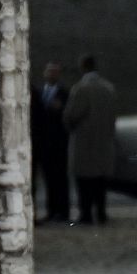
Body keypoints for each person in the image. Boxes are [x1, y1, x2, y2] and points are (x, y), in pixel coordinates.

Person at [63, 54, 116, 224]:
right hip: (104, 142)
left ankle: (85, 214)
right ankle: (101, 213)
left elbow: (71, 115)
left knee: (84, 180)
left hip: (84, 142)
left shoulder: (80, 89)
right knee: (101, 181)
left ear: (83, 67)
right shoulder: (108, 88)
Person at [32, 61, 70, 223]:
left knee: (59, 178)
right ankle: (51, 210)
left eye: (55, 72)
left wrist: (60, 109)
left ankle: (62, 211)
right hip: (43, 144)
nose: (51, 74)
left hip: (58, 143)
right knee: (48, 179)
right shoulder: (40, 92)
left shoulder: (64, 94)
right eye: (49, 71)